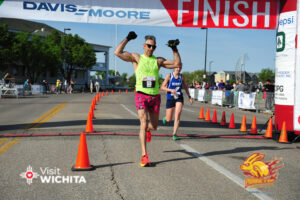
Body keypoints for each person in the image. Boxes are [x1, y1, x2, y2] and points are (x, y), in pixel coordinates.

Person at [114, 31, 182, 167]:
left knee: (154, 126)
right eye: (149, 46)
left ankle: (148, 130)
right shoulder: (136, 58)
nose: (151, 49)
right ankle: (144, 156)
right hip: (141, 94)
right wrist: (127, 38)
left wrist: (174, 49)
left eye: (154, 47)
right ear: (144, 45)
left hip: (155, 96)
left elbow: (177, 64)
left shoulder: (158, 61)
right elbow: (117, 52)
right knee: (143, 122)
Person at [160, 67, 193, 140]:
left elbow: (186, 87)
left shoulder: (182, 76)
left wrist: (189, 97)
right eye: (177, 67)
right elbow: (162, 87)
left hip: (179, 97)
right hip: (170, 98)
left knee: (177, 114)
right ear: (174, 67)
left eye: (180, 68)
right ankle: (166, 118)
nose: (178, 69)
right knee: (169, 119)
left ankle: (174, 134)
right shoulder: (169, 75)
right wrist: (170, 90)